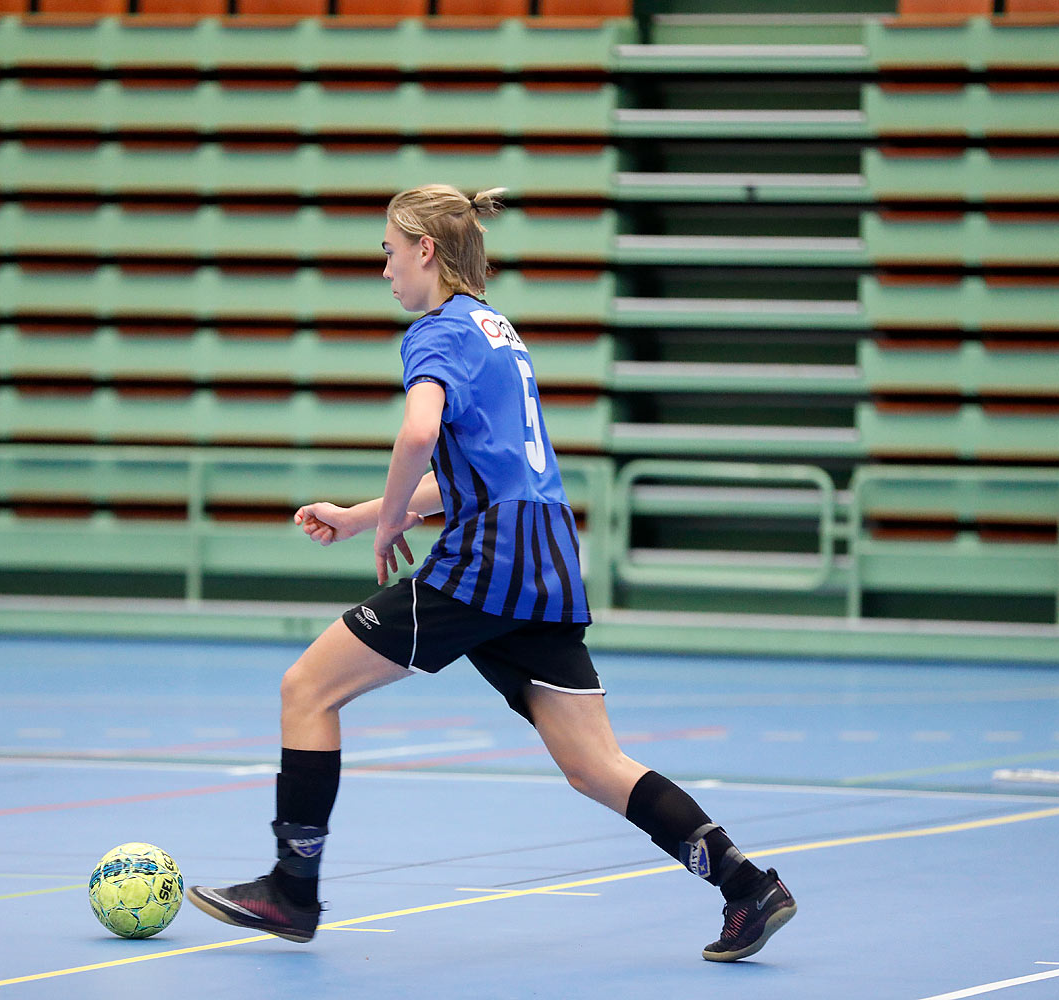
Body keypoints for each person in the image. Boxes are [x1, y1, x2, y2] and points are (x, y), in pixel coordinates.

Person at [187, 186, 797, 962]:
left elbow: (420, 431)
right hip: (545, 557)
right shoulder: (498, 330)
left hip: (489, 559)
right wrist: (368, 514)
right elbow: (481, 467)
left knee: (308, 688)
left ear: (425, 251)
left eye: (387, 251)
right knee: (594, 764)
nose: (384, 271)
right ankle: (747, 886)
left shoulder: (434, 331)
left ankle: (291, 889)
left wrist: (396, 515)